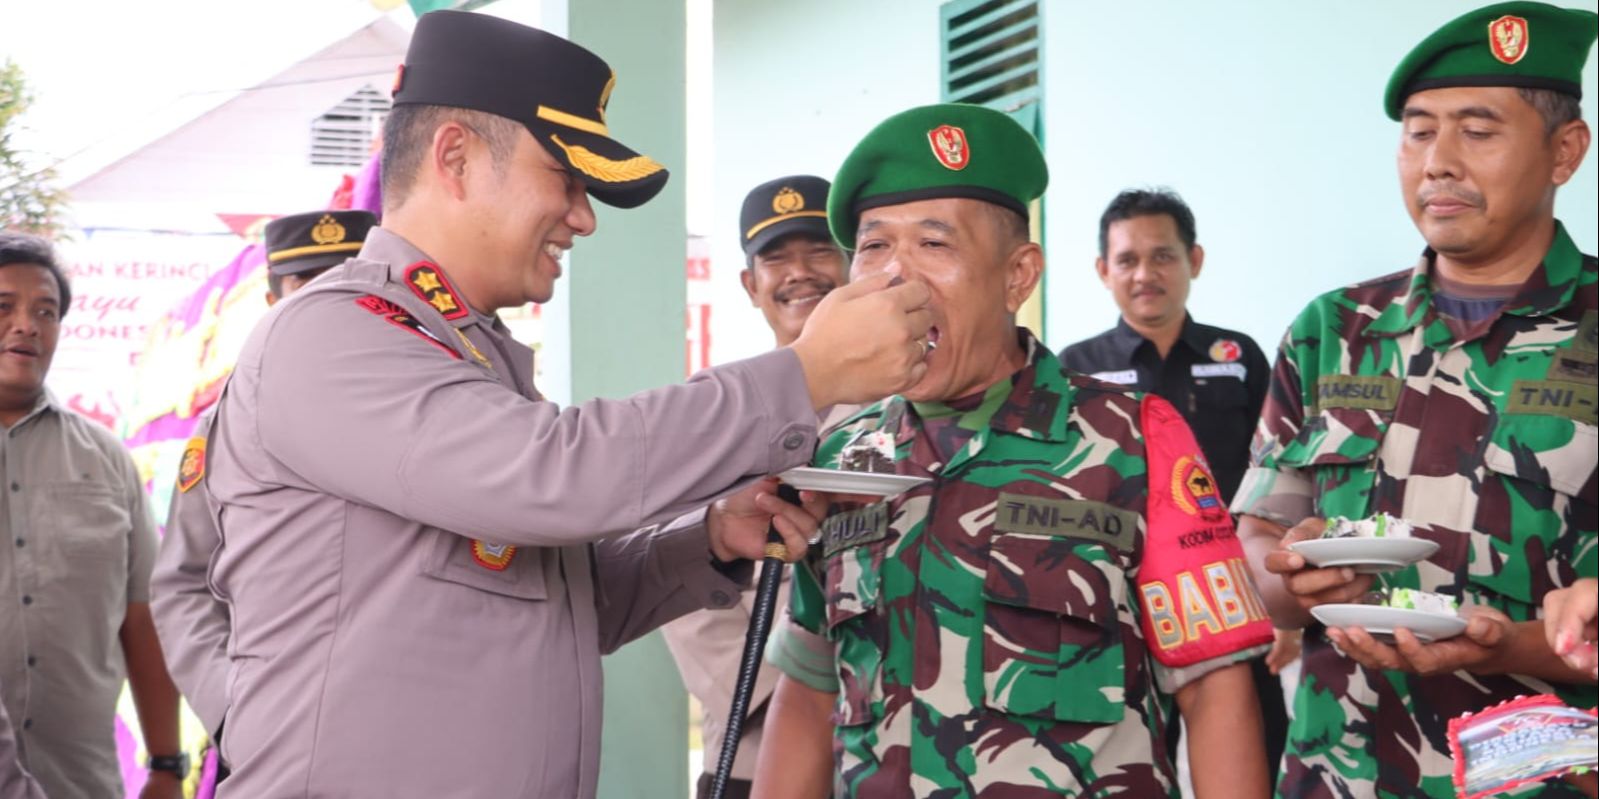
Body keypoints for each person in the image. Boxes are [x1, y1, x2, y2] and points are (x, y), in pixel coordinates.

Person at [178, 11, 933, 797]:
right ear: (457, 157)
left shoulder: (465, 353)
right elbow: (556, 472)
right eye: (565, 180)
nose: (583, 217)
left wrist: (707, 539)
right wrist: (803, 373)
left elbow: (550, 605)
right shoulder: (334, 332)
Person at [753, 103, 1275, 799]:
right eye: (874, 248)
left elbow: (1213, 688)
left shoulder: (1135, 439)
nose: (895, 279)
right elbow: (810, 691)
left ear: (1017, 275)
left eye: (934, 246)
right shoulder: (840, 459)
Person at [1232, 3, 1598, 796]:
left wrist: (1512, 644)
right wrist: (1290, 579)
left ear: (1564, 151)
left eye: (1477, 129)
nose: (1436, 162)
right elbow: (1256, 541)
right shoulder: (1330, 329)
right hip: (1335, 774)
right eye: (1418, 131)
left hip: (1541, 779)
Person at [1060, 188, 1292, 782]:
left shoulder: (1238, 356)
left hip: (1232, 596)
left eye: (1162, 256)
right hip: (1121, 606)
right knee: (1130, 761)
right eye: (1127, 260)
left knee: (1250, 753)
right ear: (1102, 271)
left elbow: (1278, 477)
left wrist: (1283, 612)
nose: (1145, 274)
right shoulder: (1073, 367)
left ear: (1195, 260)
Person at [150, 210, 378, 748]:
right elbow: (182, 581)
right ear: (274, 301)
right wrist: (230, 708)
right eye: (307, 282)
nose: (328, 296)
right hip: (273, 732)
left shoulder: (430, 405)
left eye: (345, 276)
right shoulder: (227, 425)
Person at [661, 175, 850, 799]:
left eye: (819, 250)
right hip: (751, 750)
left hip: (882, 746)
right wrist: (793, 693)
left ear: (851, 262)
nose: (801, 272)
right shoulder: (715, 411)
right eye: (776, 258)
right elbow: (681, 575)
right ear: (751, 285)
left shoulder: (910, 406)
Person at [0, 232, 185, 799]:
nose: (27, 324)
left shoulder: (106, 459)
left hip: (77, 780)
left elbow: (143, 622)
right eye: (4, 307)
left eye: (45, 311)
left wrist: (165, 763)